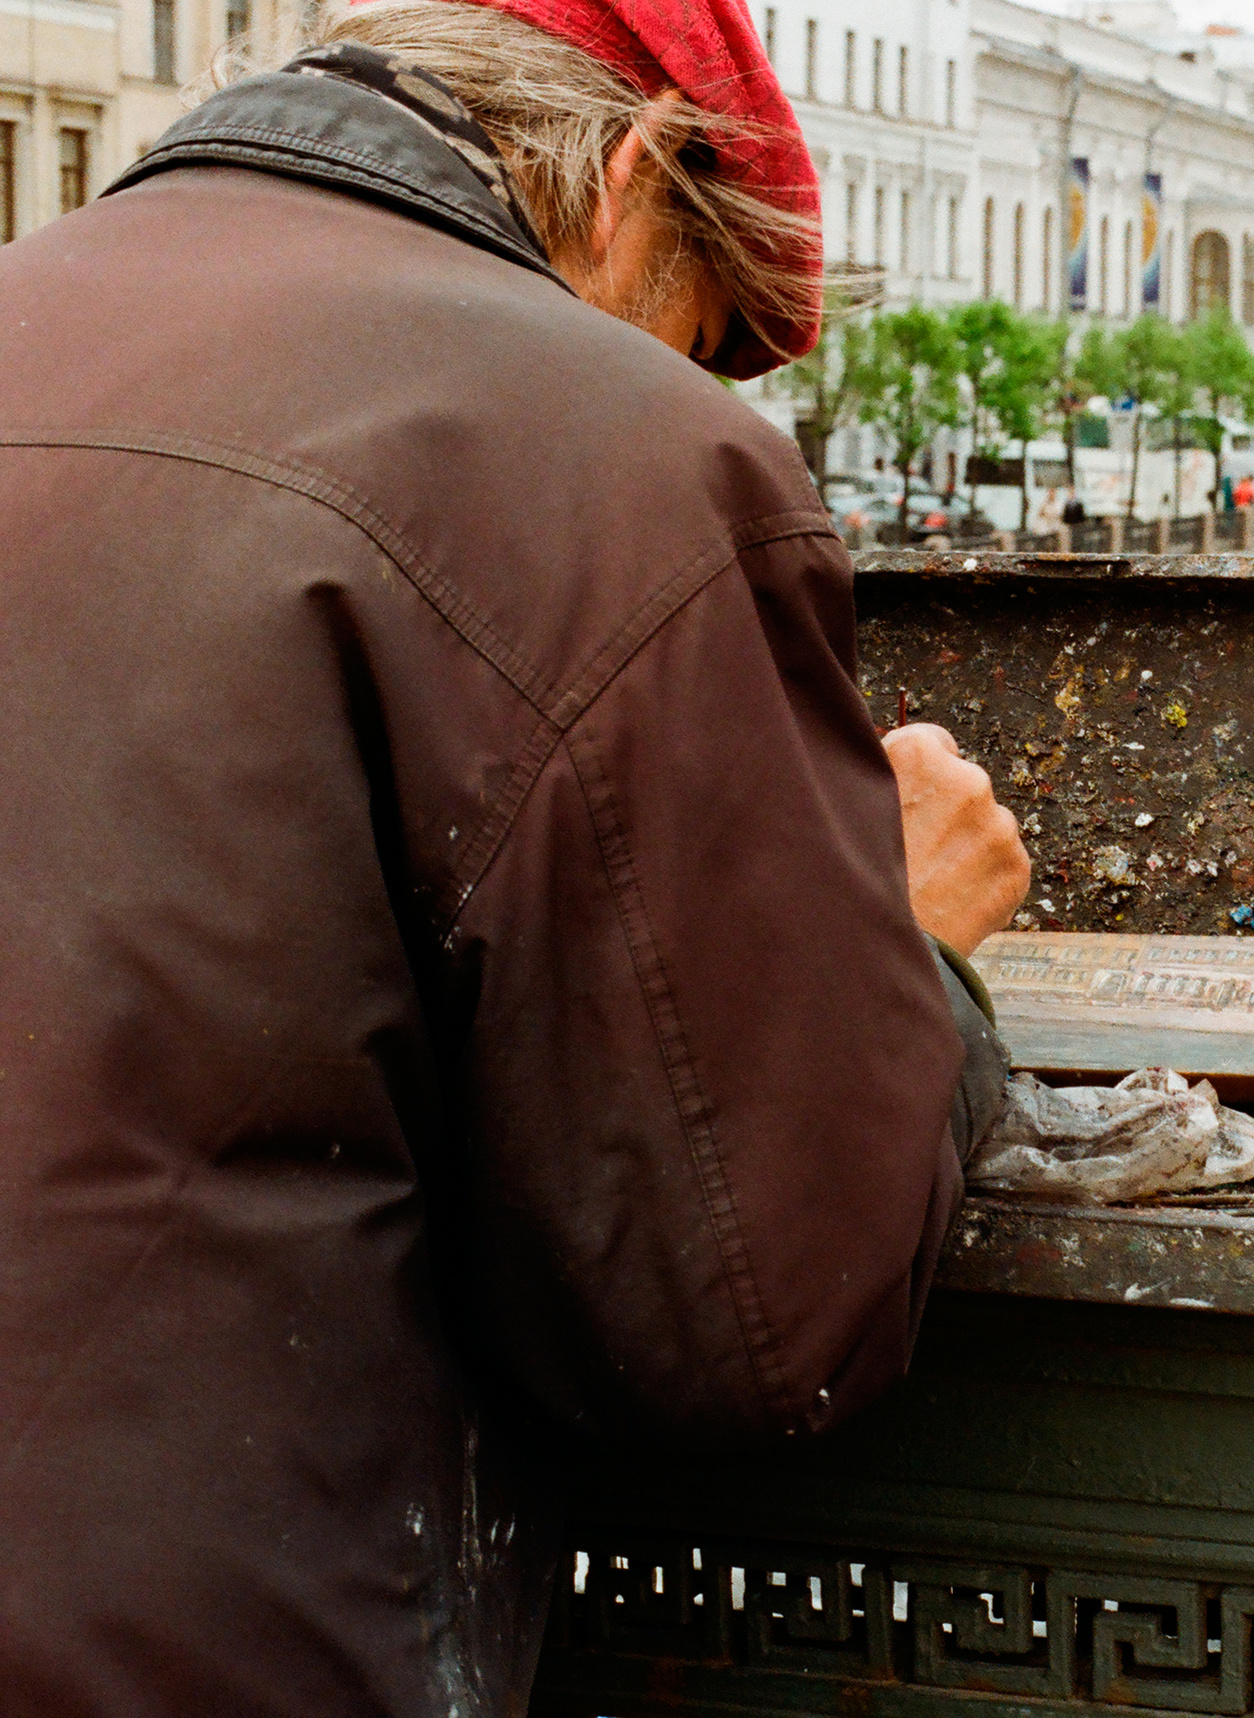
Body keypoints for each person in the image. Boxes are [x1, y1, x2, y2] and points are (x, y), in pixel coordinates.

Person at [0, 0, 1031, 1711]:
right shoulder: (605, 439)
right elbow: (750, 1313)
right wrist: (913, 953)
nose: (683, 379)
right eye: (696, 333)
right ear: (636, 174)